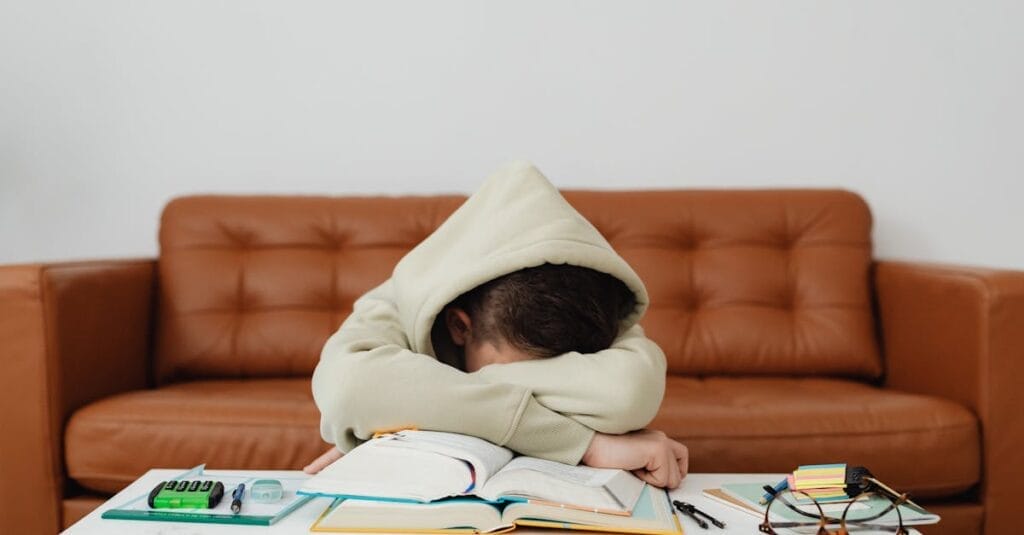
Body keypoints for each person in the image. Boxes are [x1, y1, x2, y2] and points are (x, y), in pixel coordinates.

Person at [308, 161, 688, 488]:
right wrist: (583, 443)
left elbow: (627, 392)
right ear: (460, 327)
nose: (539, 383)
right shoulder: (399, 300)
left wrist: (407, 409)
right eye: (522, 370)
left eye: (560, 372)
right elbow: (349, 388)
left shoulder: (589, 301)